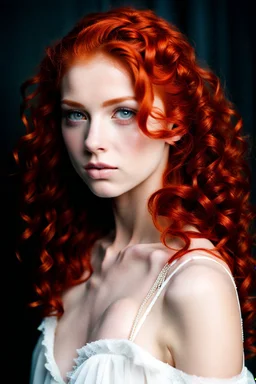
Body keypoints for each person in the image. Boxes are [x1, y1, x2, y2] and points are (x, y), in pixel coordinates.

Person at [11, 6, 255, 384]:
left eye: (123, 112)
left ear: (175, 123)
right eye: (75, 115)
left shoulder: (195, 283)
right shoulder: (78, 262)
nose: (93, 142)